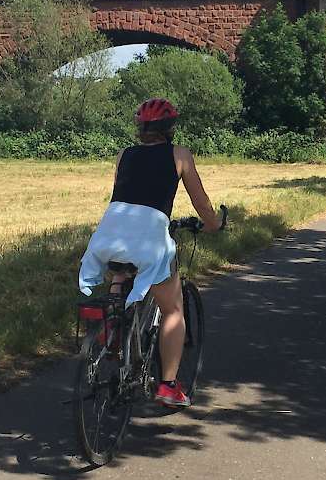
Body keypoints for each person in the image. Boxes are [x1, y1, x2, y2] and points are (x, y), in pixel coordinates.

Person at [78, 98, 224, 408]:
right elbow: (201, 203)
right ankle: (169, 385)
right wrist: (214, 224)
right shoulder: (179, 155)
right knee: (172, 309)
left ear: (140, 128)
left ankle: (114, 323)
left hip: (110, 232)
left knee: (122, 265)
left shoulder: (124, 155)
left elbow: (127, 194)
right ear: (170, 128)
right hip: (148, 237)